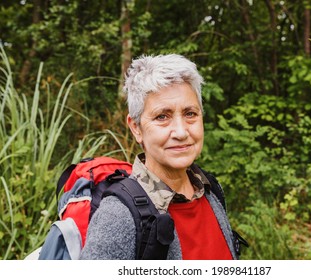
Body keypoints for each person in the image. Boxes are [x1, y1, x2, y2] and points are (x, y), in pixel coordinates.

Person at [80, 54, 238, 260]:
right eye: (162, 116)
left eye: (190, 113)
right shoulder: (118, 217)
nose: (181, 132)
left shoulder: (211, 191)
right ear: (136, 128)